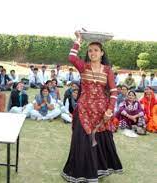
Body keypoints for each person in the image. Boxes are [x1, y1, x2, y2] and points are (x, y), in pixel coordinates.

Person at [62, 31, 122, 182]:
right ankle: (81, 173)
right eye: (90, 50)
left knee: (101, 141)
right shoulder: (83, 67)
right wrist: (78, 40)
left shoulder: (107, 70)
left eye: (96, 50)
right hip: (83, 110)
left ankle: (99, 169)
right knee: (82, 141)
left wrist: (110, 109)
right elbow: (71, 57)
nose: (93, 53)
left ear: (102, 53)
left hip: (102, 112)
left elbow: (114, 91)